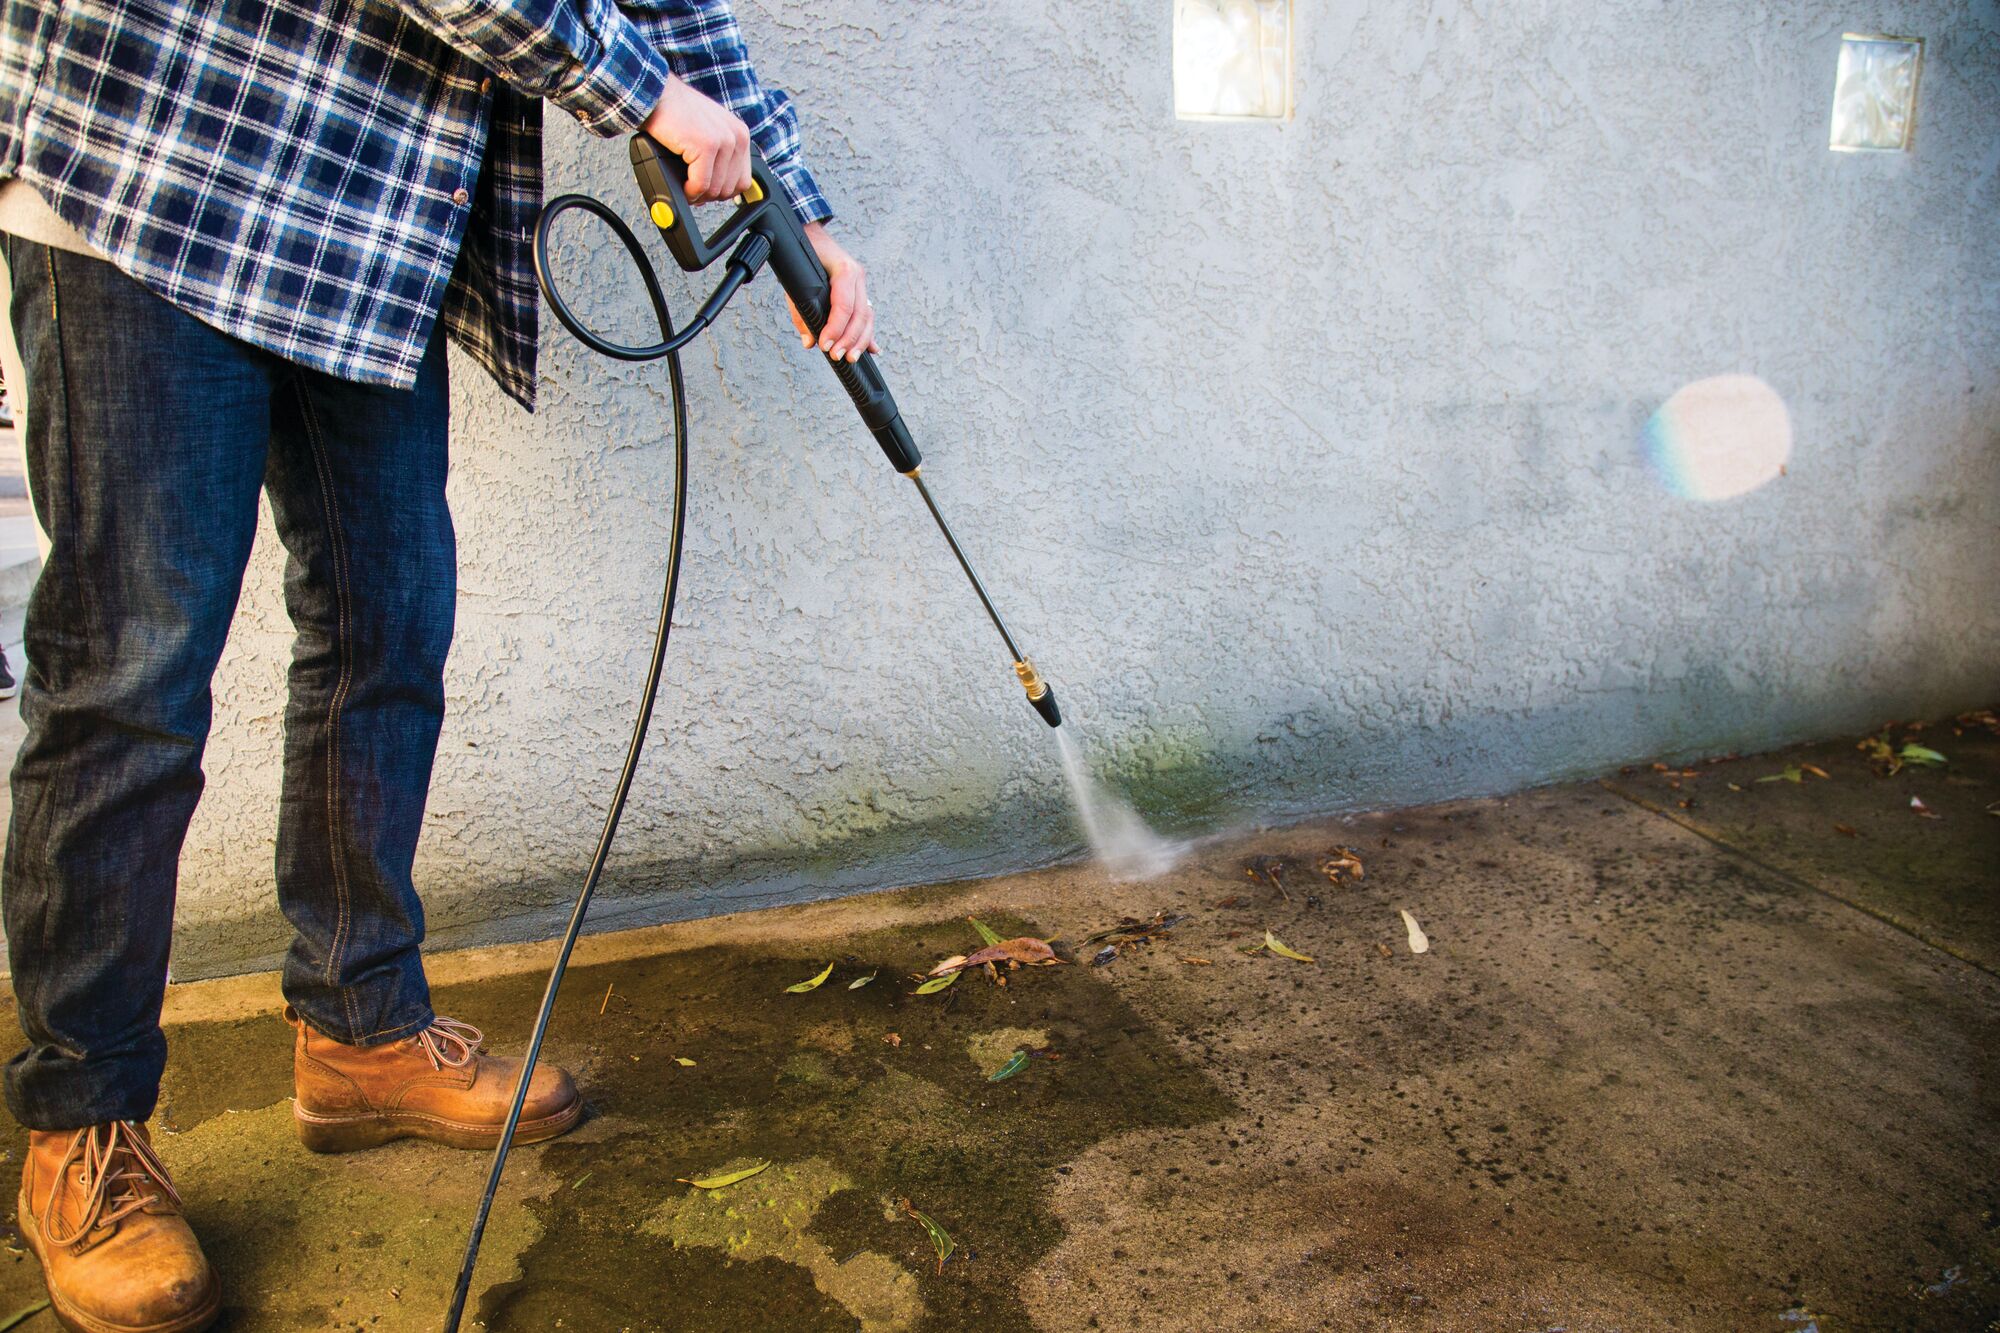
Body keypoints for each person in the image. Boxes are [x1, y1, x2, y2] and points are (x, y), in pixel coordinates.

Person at [0, 3, 877, 1328]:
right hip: (156, 163)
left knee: (387, 624)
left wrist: (796, 206)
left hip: (360, 227)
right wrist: (649, 100)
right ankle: (85, 1121)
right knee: (133, 678)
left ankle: (358, 1024)